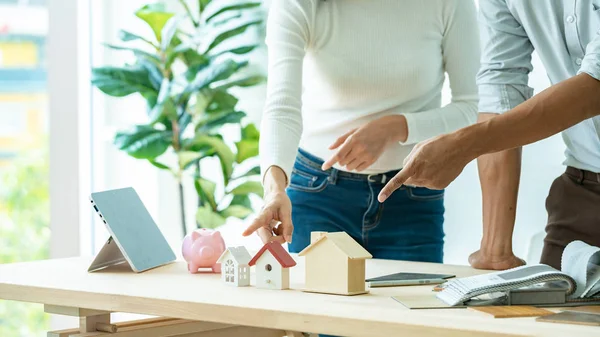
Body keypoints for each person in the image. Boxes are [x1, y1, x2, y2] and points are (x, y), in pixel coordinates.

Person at [242, 0, 480, 264]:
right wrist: (274, 189)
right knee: (316, 305)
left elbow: (470, 107)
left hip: (411, 195)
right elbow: (282, 107)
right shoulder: (297, 4)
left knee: (411, 303)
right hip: (317, 193)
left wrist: (396, 127)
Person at [379, 0, 600, 270]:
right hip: (582, 191)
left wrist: (463, 145)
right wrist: (495, 249)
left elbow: (593, 88)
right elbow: (501, 87)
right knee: (543, 309)